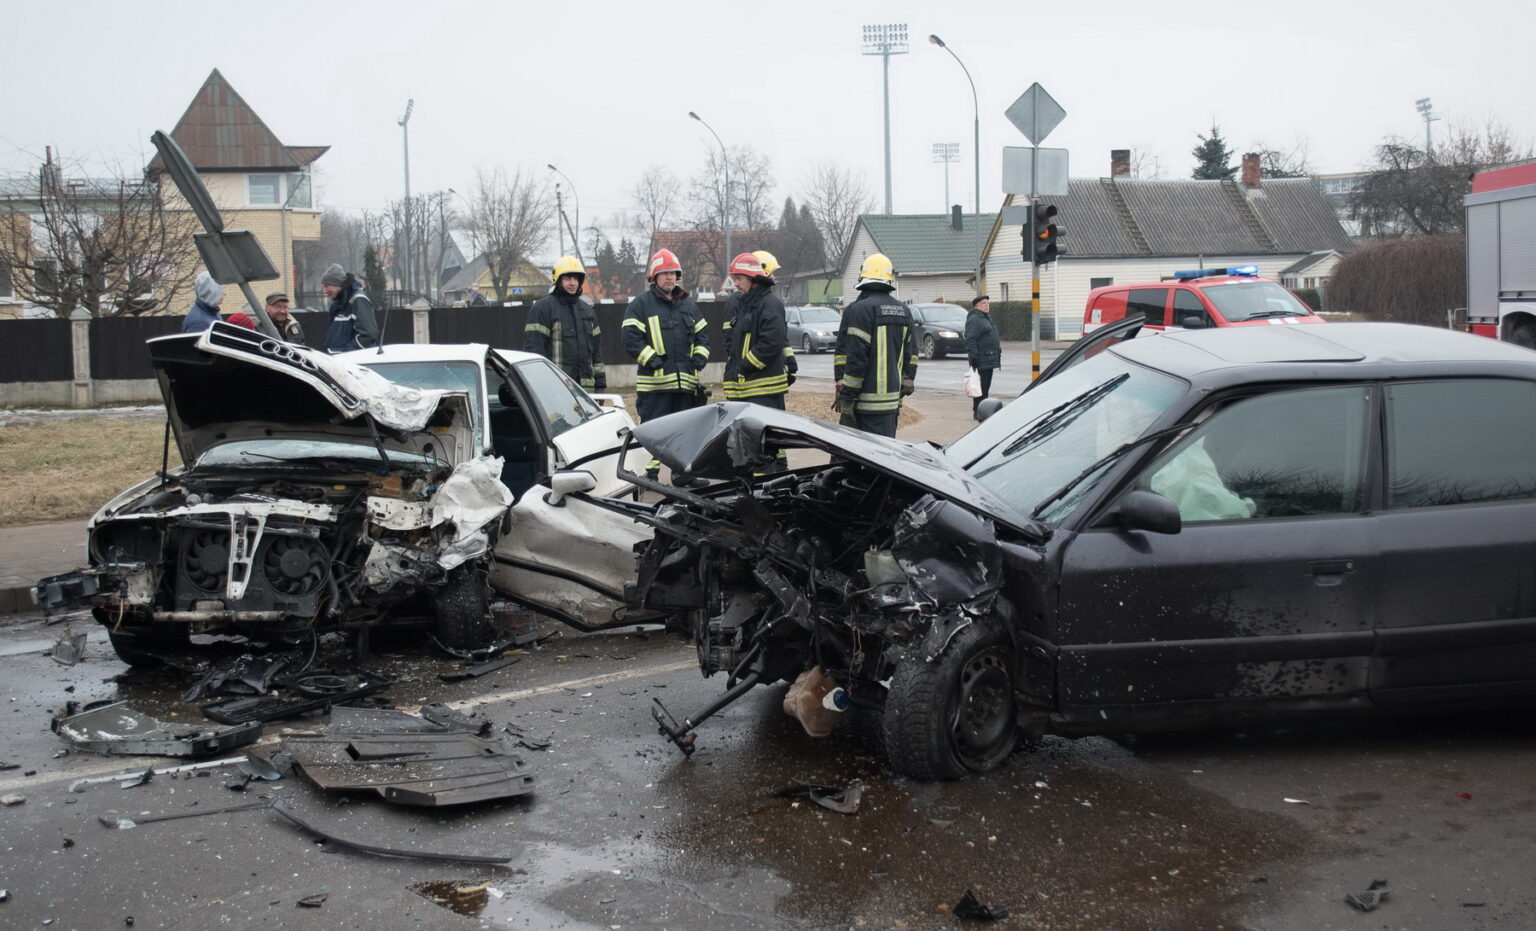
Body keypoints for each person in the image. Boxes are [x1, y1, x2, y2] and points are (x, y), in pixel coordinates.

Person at [621, 248, 710, 482]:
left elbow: (703, 335)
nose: (670, 277)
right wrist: (653, 361)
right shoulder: (641, 305)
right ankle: (648, 475)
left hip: (685, 385)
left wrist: (698, 360)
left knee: (685, 432)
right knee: (653, 432)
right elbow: (630, 338)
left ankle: (683, 475)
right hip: (655, 386)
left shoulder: (688, 306)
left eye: (673, 273)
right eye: (664, 273)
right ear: (654, 277)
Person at [834, 253, 917, 438]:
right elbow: (911, 353)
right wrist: (908, 378)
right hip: (891, 404)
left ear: (863, 277)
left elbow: (856, 358)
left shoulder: (859, 310)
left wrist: (847, 396)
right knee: (884, 457)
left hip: (865, 405)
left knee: (854, 460)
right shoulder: (904, 310)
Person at [722, 251, 790, 471]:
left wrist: (744, 367)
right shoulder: (747, 305)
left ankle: (769, 491)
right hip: (749, 390)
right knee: (753, 448)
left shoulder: (769, 304)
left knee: (764, 448)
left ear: (752, 280)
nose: (736, 284)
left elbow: (771, 343)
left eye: (739, 279)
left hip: (763, 391)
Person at [525, 256, 605, 392]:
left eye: (576, 279)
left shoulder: (588, 312)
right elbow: (534, 351)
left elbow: (597, 353)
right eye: (567, 278)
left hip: (586, 391)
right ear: (558, 280)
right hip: (555, 389)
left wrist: (600, 385)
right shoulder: (542, 309)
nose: (572, 283)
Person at [320, 263, 379, 352]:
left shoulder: (358, 300)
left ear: (336, 283)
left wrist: (346, 354)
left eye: (326, 286)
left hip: (350, 363)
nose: (324, 290)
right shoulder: (337, 305)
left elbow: (368, 335)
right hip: (337, 363)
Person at [964, 294, 1001, 419]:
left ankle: (979, 411)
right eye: (984, 303)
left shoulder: (985, 317)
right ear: (977, 306)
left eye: (987, 303)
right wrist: (973, 356)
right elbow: (970, 338)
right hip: (981, 360)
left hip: (988, 359)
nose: (987, 305)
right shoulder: (975, 319)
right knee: (981, 389)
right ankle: (980, 412)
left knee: (984, 387)